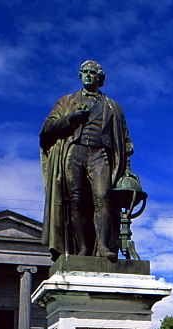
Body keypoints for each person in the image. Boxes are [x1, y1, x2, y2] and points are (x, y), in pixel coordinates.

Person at [40, 60, 133, 260]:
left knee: (103, 199)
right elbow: (47, 129)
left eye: (92, 72)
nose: (88, 75)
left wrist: (127, 169)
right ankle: (82, 248)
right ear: (80, 75)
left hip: (100, 154)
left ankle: (102, 246)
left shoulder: (113, 107)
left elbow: (126, 143)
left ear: (100, 78)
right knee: (76, 201)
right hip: (74, 152)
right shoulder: (66, 101)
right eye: (84, 72)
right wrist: (70, 118)